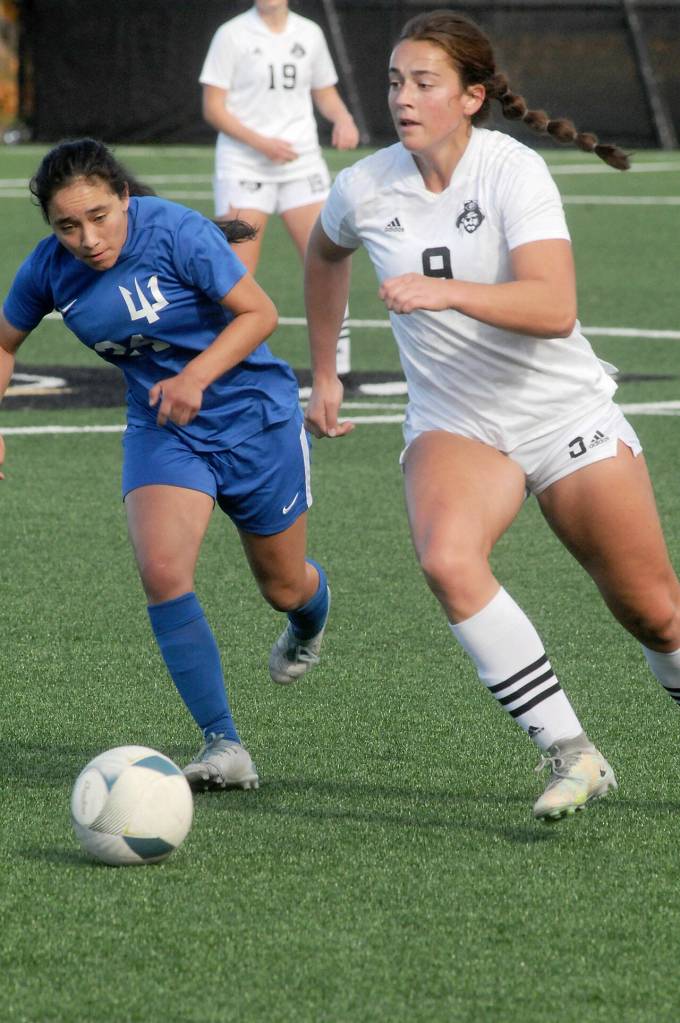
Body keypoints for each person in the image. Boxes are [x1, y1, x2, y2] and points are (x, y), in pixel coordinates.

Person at [303, 9, 680, 821]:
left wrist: (445, 292)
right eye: (396, 80)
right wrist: (326, 370)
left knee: (656, 612)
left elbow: (553, 305)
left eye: (425, 82)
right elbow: (323, 252)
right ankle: (572, 752)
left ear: (471, 97)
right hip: (458, 421)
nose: (403, 96)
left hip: (562, 411)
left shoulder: (513, 171)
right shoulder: (364, 186)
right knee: (448, 559)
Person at [0, 138, 331, 791]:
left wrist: (197, 376)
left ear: (124, 196)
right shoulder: (48, 270)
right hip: (164, 427)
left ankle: (306, 620)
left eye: (99, 215)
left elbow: (259, 313)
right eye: (68, 225)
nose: (87, 238)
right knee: (161, 569)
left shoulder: (176, 231)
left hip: (254, 419)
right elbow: (4, 341)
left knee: (284, 585)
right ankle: (224, 743)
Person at [199, 0, 360, 375]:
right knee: (235, 270)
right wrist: (261, 143)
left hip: (300, 163)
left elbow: (325, 92)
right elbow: (214, 107)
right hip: (245, 163)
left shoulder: (309, 33)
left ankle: (338, 366)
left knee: (328, 255)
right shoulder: (232, 34)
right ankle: (228, 362)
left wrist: (343, 119)